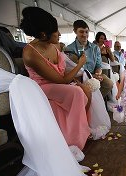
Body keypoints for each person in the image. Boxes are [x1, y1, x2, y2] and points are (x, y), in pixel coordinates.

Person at [20, 7, 91, 149]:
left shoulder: (54, 45)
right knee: (77, 92)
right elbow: (60, 79)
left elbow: (63, 75)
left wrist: (75, 79)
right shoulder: (30, 53)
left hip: (57, 83)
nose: (59, 34)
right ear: (43, 34)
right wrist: (80, 64)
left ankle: (82, 129)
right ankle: (74, 141)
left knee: (86, 89)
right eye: (56, 31)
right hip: (42, 88)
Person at [66, 20, 114, 100]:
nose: (84, 35)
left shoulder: (95, 48)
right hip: (79, 77)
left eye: (86, 32)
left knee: (109, 83)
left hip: (93, 74)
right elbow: (75, 70)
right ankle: (85, 101)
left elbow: (99, 65)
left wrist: (98, 74)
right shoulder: (70, 49)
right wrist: (92, 76)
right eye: (81, 32)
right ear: (75, 31)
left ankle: (94, 100)